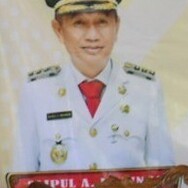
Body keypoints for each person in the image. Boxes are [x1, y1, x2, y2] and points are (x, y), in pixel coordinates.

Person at [13, 0, 174, 173]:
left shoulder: (145, 89)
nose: (92, 36)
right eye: (79, 23)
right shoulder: (37, 91)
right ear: (59, 30)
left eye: (102, 22)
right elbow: (23, 178)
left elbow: (164, 176)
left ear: (116, 27)